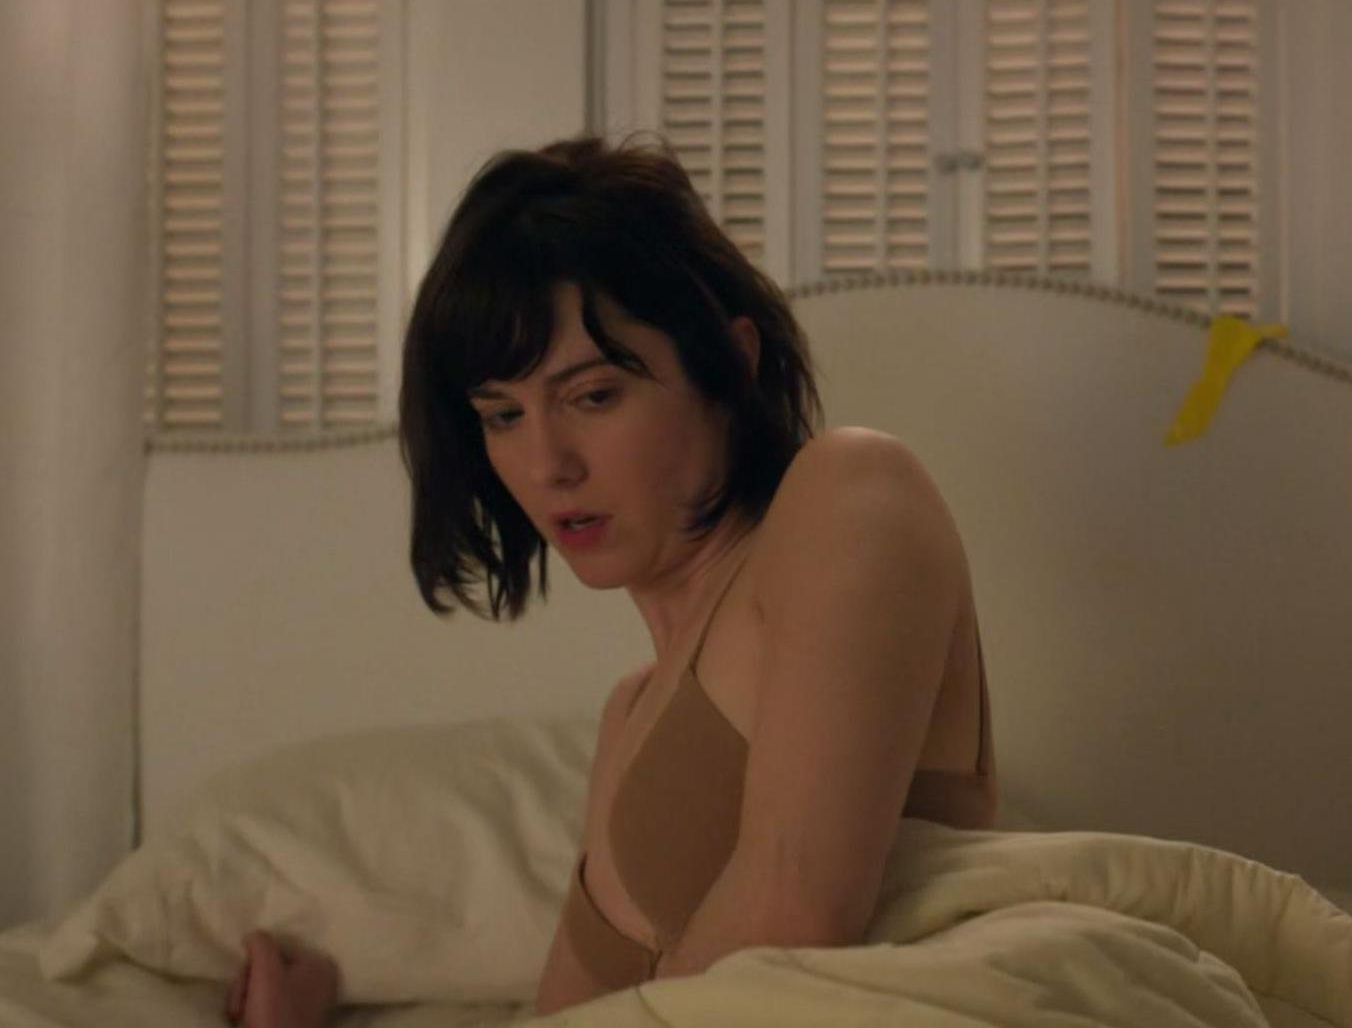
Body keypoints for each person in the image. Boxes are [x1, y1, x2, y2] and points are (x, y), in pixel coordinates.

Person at [225, 131, 997, 1027]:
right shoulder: (628, 718)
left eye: (593, 395)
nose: (546, 463)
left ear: (730, 365)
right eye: (502, 415)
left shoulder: (849, 491)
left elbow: (799, 922)